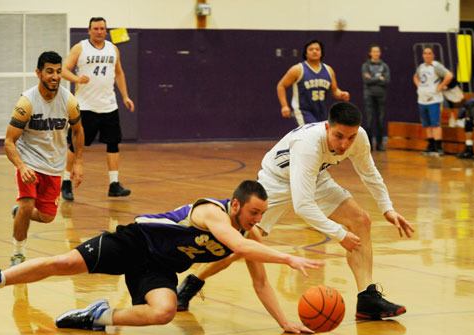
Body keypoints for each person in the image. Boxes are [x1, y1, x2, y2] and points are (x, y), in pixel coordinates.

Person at [0, 181, 323, 333]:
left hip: (160, 266)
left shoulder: (250, 233)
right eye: (254, 212)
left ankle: (98, 318)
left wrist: (285, 322)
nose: (258, 220)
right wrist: (289, 259)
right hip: (136, 241)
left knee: (165, 311)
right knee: (65, 263)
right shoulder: (212, 211)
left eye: (262, 214)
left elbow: (260, 283)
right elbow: (240, 247)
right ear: (237, 204)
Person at [177, 102, 415, 320]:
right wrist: (338, 234)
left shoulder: (358, 137)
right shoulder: (309, 145)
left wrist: (387, 208)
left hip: (315, 176)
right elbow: (303, 205)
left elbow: (369, 173)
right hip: (275, 182)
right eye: (338, 136)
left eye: (350, 138)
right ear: (327, 127)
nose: (344, 144)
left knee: (361, 220)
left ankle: (367, 298)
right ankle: (193, 281)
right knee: (242, 245)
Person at [4, 51, 84, 267]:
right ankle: (18, 254)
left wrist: (77, 162)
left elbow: (78, 131)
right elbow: (9, 141)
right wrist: (21, 166)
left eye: (58, 72)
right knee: (28, 204)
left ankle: (20, 212)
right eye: (49, 71)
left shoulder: (69, 101)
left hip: (53, 166)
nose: (55, 76)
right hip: (29, 162)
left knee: (48, 216)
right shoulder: (26, 102)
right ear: (38, 73)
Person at [60, 16, 135, 200]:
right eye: (96, 28)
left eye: (102, 28)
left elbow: (119, 72)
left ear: (106, 30)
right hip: (85, 106)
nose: (99, 31)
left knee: (113, 143)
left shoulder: (113, 48)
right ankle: (66, 182)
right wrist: (77, 79)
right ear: (89, 30)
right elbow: (63, 69)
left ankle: (114, 184)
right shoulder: (80, 47)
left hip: (109, 105)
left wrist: (125, 96)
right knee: (76, 145)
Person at [276, 39, 350, 126]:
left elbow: (334, 90)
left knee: (321, 137)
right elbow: (281, 85)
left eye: (317, 49)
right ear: (306, 53)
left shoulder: (329, 70)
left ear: (321, 52)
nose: (314, 51)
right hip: (303, 111)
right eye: (311, 49)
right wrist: (284, 106)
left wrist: (341, 94)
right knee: (310, 134)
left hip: (321, 111)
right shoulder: (298, 69)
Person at [413, 46, 453, 156]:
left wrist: (440, 86)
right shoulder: (421, 67)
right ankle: (430, 145)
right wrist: (419, 87)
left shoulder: (436, 66)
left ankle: (438, 147)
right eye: (425, 53)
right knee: (426, 124)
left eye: (429, 53)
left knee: (435, 123)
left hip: (434, 100)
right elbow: (415, 77)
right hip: (422, 99)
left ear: (433, 55)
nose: (427, 55)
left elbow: (449, 76)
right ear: (423, 55)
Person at [361, 44, 390, 151]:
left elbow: (387, 81)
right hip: (369, 95)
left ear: (380, 53)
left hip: (381, 95)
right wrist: (379, 78)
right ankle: (369, 144)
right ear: (370, 53)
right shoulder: (365, 65)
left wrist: (372, 78)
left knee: (380, 120)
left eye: (378, 51)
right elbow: (366, 80)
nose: (376, 53)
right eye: (374, 51)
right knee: (369, 120)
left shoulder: (385, 66)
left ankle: (380, 144)